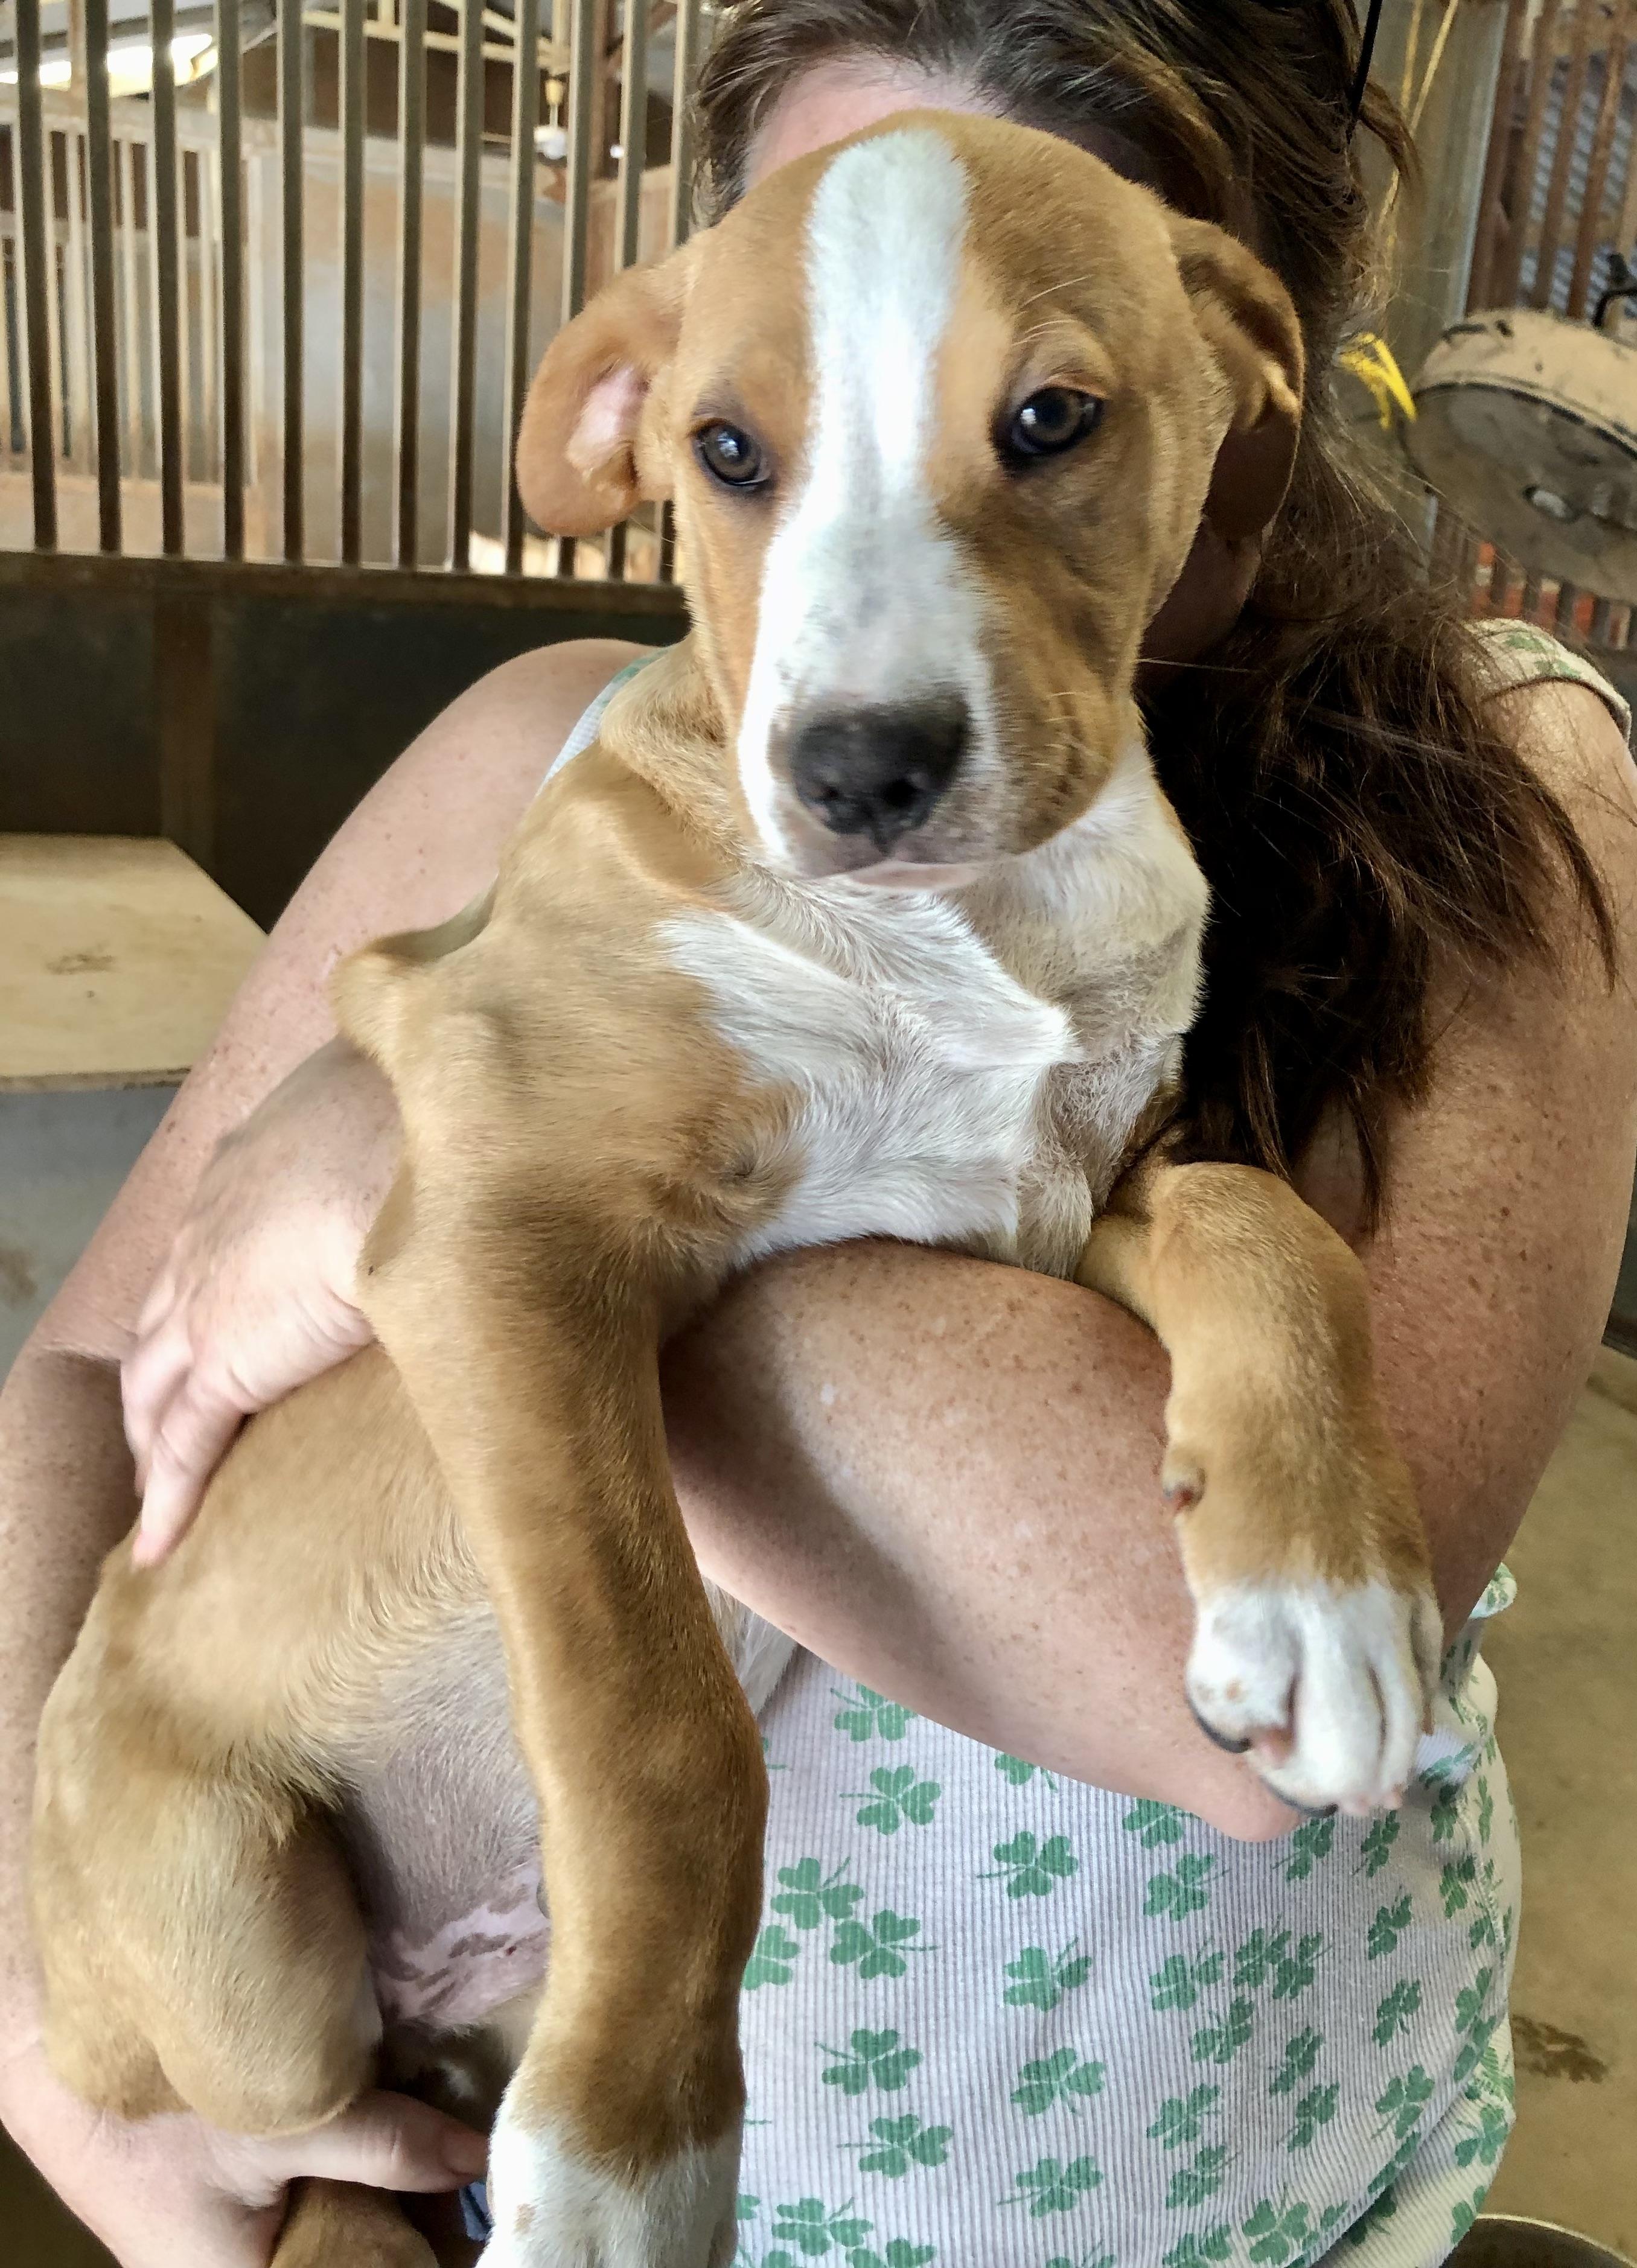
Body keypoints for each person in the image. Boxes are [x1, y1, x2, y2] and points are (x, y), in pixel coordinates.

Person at [2, 4, 1634, 2262]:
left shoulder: (1498, 781)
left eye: (1041, 423)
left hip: (1191, 2169)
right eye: (754, 453)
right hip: (461, 2021)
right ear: (637, 418)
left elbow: (1211, 1686)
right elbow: (84, 1384)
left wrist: (434, 1178)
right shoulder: (555, 767)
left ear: (1239, 363)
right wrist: (40, 2003)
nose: (863, 674)